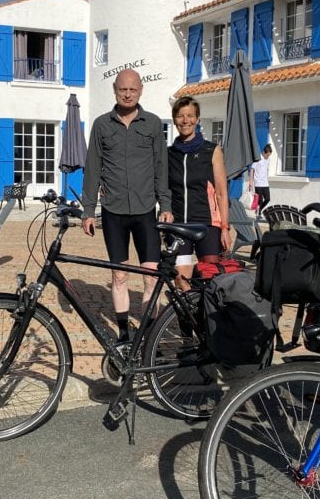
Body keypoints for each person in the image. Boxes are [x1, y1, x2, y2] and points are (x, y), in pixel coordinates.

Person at [81, 68, 173, 347]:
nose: (128, 94)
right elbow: (92, 169)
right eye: (123, 89)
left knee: (149, 277)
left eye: (133, 89)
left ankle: (151, 336)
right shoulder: (101, 125)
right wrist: (88, 210)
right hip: (113, 211)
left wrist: (165, 204)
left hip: (146, 210)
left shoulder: (153, 123)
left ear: (141, 90)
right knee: (119, 275)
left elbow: (161, 167)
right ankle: (123, 334)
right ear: (115, 91)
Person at [167, 96, 229, 288]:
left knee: (209, 278)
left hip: (208, 224)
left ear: (198, 119)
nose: (185, 121)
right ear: (174, 119)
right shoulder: (168, 153)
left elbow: (221, 192)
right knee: (180, 278)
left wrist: (225, 228)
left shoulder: (212, 150)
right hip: (179, 225)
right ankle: (188, 317)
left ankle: (207, 317)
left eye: (190, 116)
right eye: (180, 116)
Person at [248, 143, 272, 216]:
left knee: (268, 198)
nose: (268, 157)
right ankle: (258, 212)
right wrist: (250, 183)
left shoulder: (267, 159)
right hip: (258, 182)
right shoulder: (258, 158)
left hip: (265, 182)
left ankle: (259, 209)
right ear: (263, 152)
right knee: (260, 199)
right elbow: (252, 170)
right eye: (267, 155)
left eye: (269, 155)